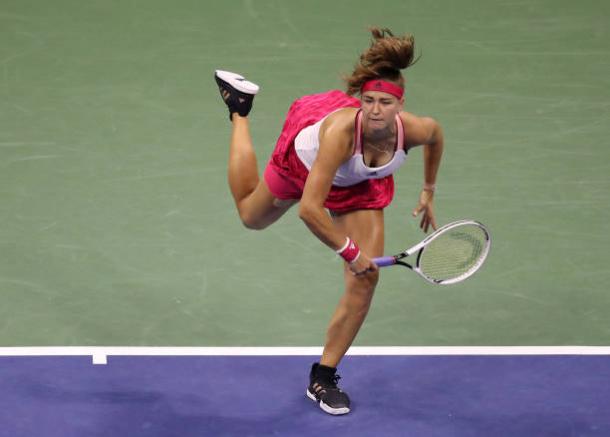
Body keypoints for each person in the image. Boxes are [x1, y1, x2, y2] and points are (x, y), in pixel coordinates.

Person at [214, 28, 444, 415]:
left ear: (400, 106)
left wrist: (428, 190)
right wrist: (351, 252)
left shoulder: (416, 129)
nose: (374, 110)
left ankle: (323, 375)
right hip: (306, 170)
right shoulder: (340, 133)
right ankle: (240, 111)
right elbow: (309, 208)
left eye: (385, 103)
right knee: (250, 217)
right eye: (368, 100)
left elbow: (437, 139)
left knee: (366, 281)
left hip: (360, 185)